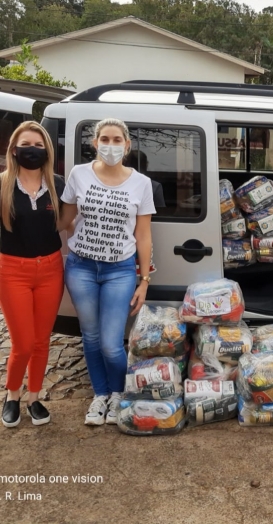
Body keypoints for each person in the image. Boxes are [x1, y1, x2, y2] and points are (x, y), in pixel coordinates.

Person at [59, 118, 156, 426]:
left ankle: (118, 393)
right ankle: (100, 396)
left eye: (117, 140)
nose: (110, 145)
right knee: (89, 335)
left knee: (111, 343)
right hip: (81, 267)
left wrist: (144, 280)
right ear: (94, 142)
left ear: (127, 146)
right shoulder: (79, 174)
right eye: (105, 138)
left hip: (120, 271)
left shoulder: (141, 183)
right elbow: (65, 220)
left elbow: (143, 236)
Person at [0, 121, 65, 428]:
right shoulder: (1, 184)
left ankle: (34, 397)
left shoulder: (58, 185)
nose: (33, 150)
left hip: (51, 269)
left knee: (41, 341)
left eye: (39, 146)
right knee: (22, 343)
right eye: (27, 145)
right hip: (12, 270)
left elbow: (71, 220)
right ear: (14, 150)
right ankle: (12, 395)